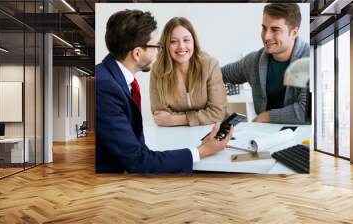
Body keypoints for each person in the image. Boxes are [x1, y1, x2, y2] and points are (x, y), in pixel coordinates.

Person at [95, 9, 233, 173]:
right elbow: (138, 160)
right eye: (156, 46)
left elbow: (217, 112)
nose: (158, 51)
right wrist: (202, 151)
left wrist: (175, 119)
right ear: (138, 53)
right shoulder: (106, 87)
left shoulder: (112, 79)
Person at [221, 3, 310, 124]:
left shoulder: (309, 60)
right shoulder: (254, 61)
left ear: (294, 32)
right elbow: (220, 74)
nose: (266, 36)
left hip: (302, 136)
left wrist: (266, 116)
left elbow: (306, 110)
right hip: (265, 136)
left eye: (275, 30)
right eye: (264, 28)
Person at [150, 17, 227, 126]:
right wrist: (203, 115)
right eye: (173, 41)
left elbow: (218, 113)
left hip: (211, 130)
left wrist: (174, 119)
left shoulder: (210, 65)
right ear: (166, 45)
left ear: (194, 42)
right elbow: (160, 116)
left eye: (186, 40)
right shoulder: (157, 70)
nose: (181, 46)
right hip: (177, 134)